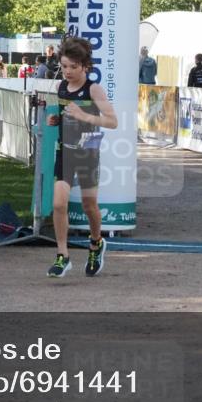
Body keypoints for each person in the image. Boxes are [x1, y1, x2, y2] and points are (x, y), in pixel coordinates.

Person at [46, 36, 118, 278]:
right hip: (65, 151)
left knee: (89, 206)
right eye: (64, 66)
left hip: (88, 153)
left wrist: (83, 115)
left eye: (73, 67)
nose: (67, 71)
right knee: (58, 204)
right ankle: (62, 255)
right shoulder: (61, 87)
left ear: (85, 66)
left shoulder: (93, 89)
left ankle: (96, 243)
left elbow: (112, 122)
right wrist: (56, 120)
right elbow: (65, 114)